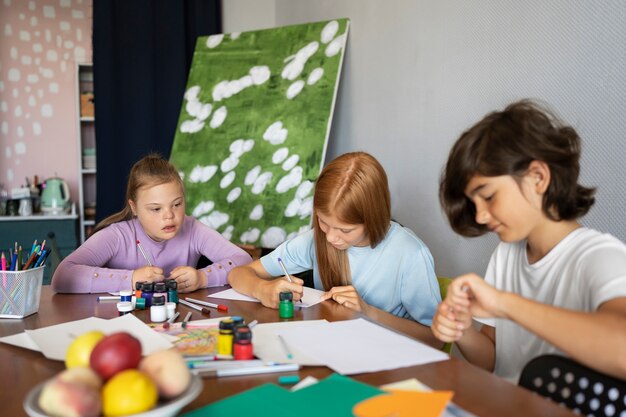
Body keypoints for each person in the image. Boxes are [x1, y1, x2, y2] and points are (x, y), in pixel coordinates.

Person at [432, 99, 626, 382]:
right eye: (474, 204)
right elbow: (494, 362)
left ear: (538, 177)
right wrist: (463, 331)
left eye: (487, 196)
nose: (481, 216)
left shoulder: (602, 257)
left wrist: (504, 304)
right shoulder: (506, 254)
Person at [228, 151, 442, 347]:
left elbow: (436, 338)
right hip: (330, 349)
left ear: (373, 218)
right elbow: (239, 273)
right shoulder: (316, 240)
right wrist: (261, 289)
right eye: (323, 222)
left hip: (385, 361)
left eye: (345, 230)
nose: (330, 237)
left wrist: (368, 312)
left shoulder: (410, 254)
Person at [52, 153, 252, 294]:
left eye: (177, 204)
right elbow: (63, 276)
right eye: (156, 209)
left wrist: (202, 278)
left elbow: (243, 259)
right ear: (134, 207)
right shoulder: (117, 236)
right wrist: (130, 279)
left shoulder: (192, 229)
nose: (169, 216)